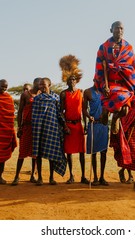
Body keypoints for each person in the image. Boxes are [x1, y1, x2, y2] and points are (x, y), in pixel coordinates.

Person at [94, 21, 135, 134]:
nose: (119, 31)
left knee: (124, 110)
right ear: (111, 30)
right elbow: (99, 67)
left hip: (123, 84)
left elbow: (132, 68)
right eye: (116, 28)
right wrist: (103, 85)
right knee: (105, 112)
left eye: (121, 28)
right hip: (109, 84)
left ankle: (116, 117)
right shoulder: (104, 47)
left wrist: (119, 68)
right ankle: (105, 116)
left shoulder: (128, 47)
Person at [32, 77, 67, 185]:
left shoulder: (56, 98)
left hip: (52, 128)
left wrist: (64, 125)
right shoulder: (37, 99)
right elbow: (34, 115)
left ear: (49, 85)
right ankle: (40, 178)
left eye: (44, 84)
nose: (42, 86)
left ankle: (51, 177)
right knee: (38, 153)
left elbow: (59, 114)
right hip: (39, 129)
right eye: (40, 85)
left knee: (52, 153)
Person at [59, 55, 88, 184]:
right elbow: (60, 111)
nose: (72, 81)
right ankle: (71, 175)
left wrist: (86, 124)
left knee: (82, 151)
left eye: (74, 79)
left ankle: (83, 176)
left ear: (77, 81)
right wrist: (64, 126)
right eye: (70, 79)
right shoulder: (63, 94)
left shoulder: (81, 93)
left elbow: (84, 110)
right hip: (68, 125)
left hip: (79, 125)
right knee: (69, 152)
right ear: (67, 81)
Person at [11, 78, 41, 186]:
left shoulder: (42, 95)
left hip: (37, 127)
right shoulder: (25, 95)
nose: (41, 85)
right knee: (22, 152)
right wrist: (19, 127)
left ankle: (33, 175)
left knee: (35, 153)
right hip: (26, 126)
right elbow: (20, 112)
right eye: (39, 83)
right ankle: (16, 176)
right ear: (34, 84)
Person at [83, 81, 109, 186]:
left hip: (104, 124)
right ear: (94, 80)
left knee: (103, 152)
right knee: (93, 152)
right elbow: (84, 109)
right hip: (93, 124)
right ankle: (95, 177)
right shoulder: (88, 92)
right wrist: (89, 117)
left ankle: (102, 177)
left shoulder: (106, 92)